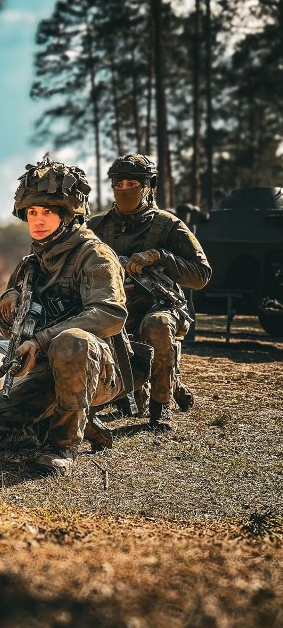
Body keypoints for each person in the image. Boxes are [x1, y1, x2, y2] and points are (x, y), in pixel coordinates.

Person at [0, 157, 134, 476]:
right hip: (49, 375)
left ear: (69, 215)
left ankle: (63, 445)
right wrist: (9, 305)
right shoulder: (32, 264)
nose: (38, 220)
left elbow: (110, 313)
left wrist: (42, 341)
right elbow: (14, 333)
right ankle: (66, 423)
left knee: (71, 341)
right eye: (32, 213)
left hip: (98, 371)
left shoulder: (93, 255)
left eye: (48, 212)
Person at [89, 154, 211, 429]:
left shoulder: (169, 226)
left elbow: (202, 275)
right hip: (116, 308)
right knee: (128, 400)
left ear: (149, 185)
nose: (124, 189)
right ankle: (169, 380)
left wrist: (160, 256)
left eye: (132, 183)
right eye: (118, 184)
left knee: (157, 326)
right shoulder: (96, 227)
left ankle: (161, 407)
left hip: (161, 307)